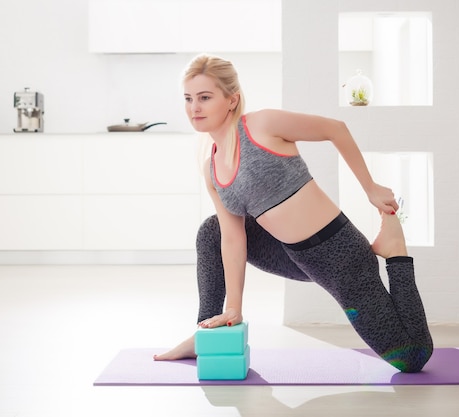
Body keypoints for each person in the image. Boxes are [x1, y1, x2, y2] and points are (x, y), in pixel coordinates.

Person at [154, 54, 433, 372]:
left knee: (412, 357)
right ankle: (206, 330)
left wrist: (369, 188)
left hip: (339, 257)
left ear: (231, 100)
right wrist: (234, 308)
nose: (194, 108)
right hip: (292, 257)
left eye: (205, 97)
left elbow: (335, 129)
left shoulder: (262, 125)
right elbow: (232, 239)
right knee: (211, 230)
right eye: (188, 99)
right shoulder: (212, 169)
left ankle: (394, 251)